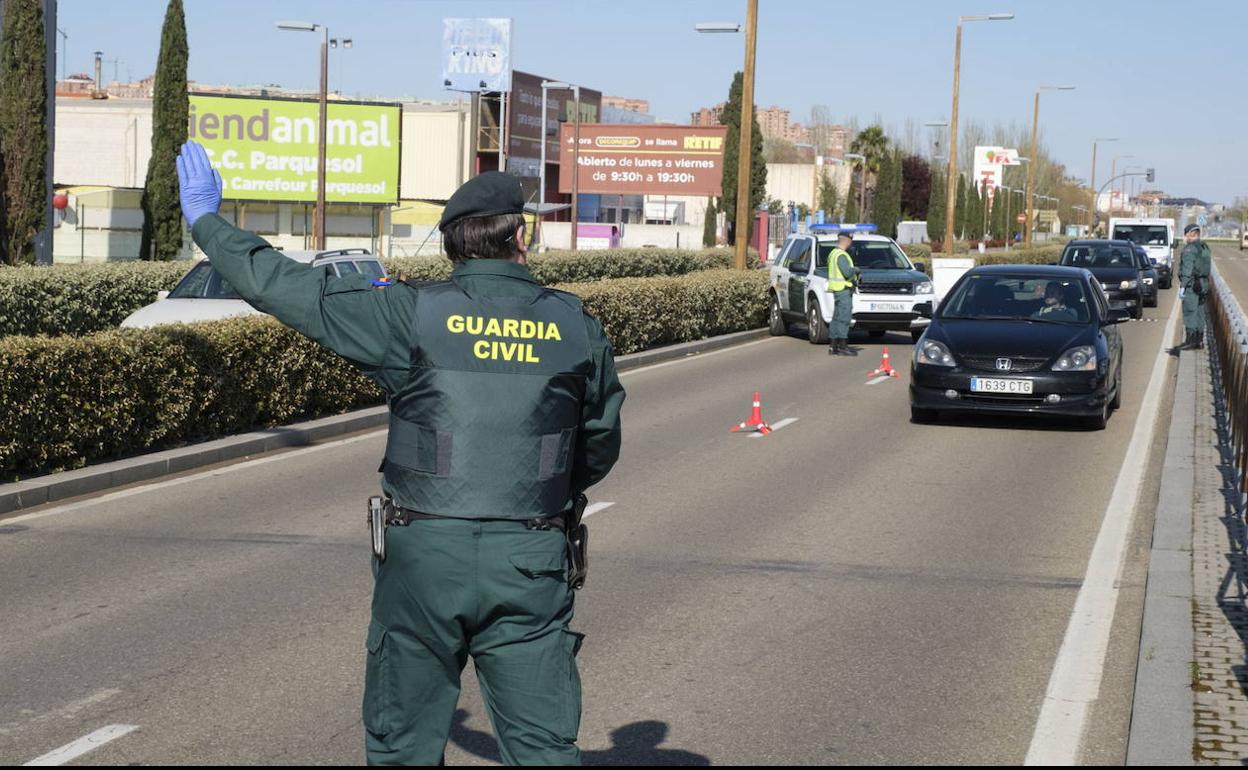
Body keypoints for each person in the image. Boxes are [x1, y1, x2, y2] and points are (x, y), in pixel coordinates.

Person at [175, 141, 625, 765]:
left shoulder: (408, 315)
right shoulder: (574, 327)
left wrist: (206, 222)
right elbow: (599, 442)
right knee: (544, 750)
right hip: (531, 557)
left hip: (422, 561)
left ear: (452, 245)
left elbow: (284, 286)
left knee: (403, 747)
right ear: (520, 239)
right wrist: (536, 495)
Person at [1175, 223, 1212, 351]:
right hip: (1204, 284)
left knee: (1190, 312)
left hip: (1192, 285)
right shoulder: (1204, 246)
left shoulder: (1190, 249)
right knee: (1200, 312)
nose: (1185, 237)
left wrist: (1183, 286)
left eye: (1186, 234)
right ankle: (1199, 341)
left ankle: (1190, 341)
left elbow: (1187, 269)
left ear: (1191, 234)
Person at [826, 230, 860, 356]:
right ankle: (842, 346)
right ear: (846, 241)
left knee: (836, 318)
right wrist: (855, 270)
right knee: (844, 318)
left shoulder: (833, 253)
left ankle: (833, 346)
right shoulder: (841, 255)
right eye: (850, 240)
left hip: (837, 290)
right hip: (844, 290)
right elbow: (847, 272)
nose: (851, 243)